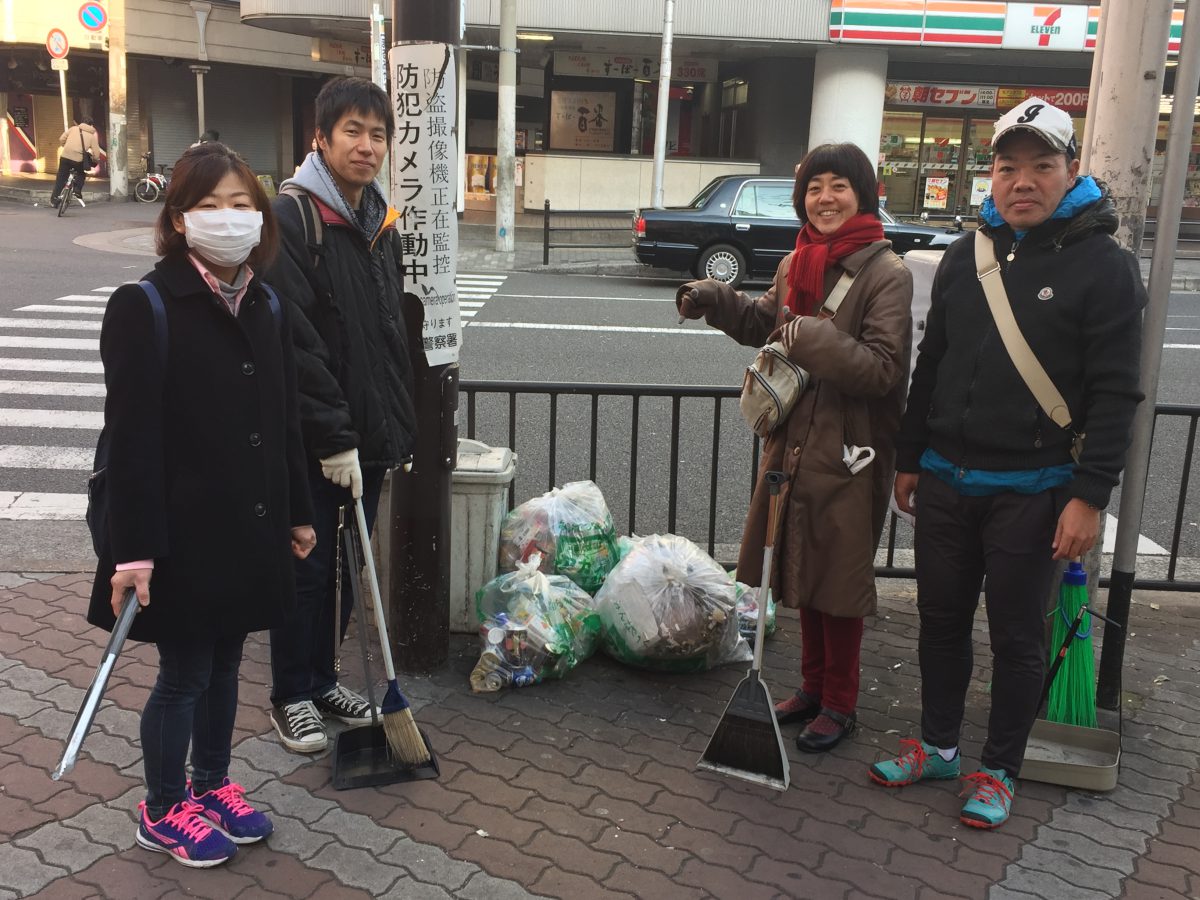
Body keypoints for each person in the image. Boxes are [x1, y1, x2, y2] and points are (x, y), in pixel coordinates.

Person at [869, 98, 1145, 829]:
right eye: (1008, 167)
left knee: (1018, 637)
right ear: (990, 176)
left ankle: (999, 767)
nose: (1023, 181)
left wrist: (1090, 497)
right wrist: (909, 455)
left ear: (1071, 172)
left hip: (1037, 488)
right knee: (940, 621)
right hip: (946, 478)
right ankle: (937, 745)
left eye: (1041, 166)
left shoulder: (1105, 267)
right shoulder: (968, 255)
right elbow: (933, 363)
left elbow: (1118, 393)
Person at [88, 142, 315, 867]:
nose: (229, 219)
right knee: (185, 674)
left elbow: (285, 422)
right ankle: (161, 809)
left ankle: (211, 784)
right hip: (178, 537)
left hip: (246, 528)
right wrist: (133, 551)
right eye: (210, 206)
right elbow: (128, 441)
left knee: (225, 666)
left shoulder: (267, 302)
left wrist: (298, 512)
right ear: (179, 219)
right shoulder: (144, 306)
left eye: (242, 203)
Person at [677, 143, 913, 754]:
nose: (825, 198)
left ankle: (840, 703)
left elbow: (885, 369)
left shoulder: (887, 273)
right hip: (791, 446)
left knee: (839, 581)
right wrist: (714, 299)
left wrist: (813, 337)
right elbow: (764, 322)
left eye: (839, 186)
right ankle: (810, 688)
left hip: (849, 451)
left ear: (864, 194)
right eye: (814, 188)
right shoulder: (796, 263)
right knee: (800, 569)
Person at [265, 76, 421, 753]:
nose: (366, 145)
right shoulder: (294, 219)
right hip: (313, 439)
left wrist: (393, 430)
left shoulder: (377, 222)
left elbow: (388, 338)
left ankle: (325, 677)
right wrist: (333, 436)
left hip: (367, 436)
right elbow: (294, 340)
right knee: (306, 564)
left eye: (378, 133)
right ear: (320, 139)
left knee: (348, 564)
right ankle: (290, 694)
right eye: (352, 131)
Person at [52, 115, 105, 206]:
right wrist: (95, 160)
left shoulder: (73, 129)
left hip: (65, 157)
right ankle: (77, 190)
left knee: (60, 179)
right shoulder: (91, 136)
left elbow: (61, 139)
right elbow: (96, 153)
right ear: (91, 125)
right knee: (81, 174)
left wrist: (65, 146)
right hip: (78, 160)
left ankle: (54, 201)